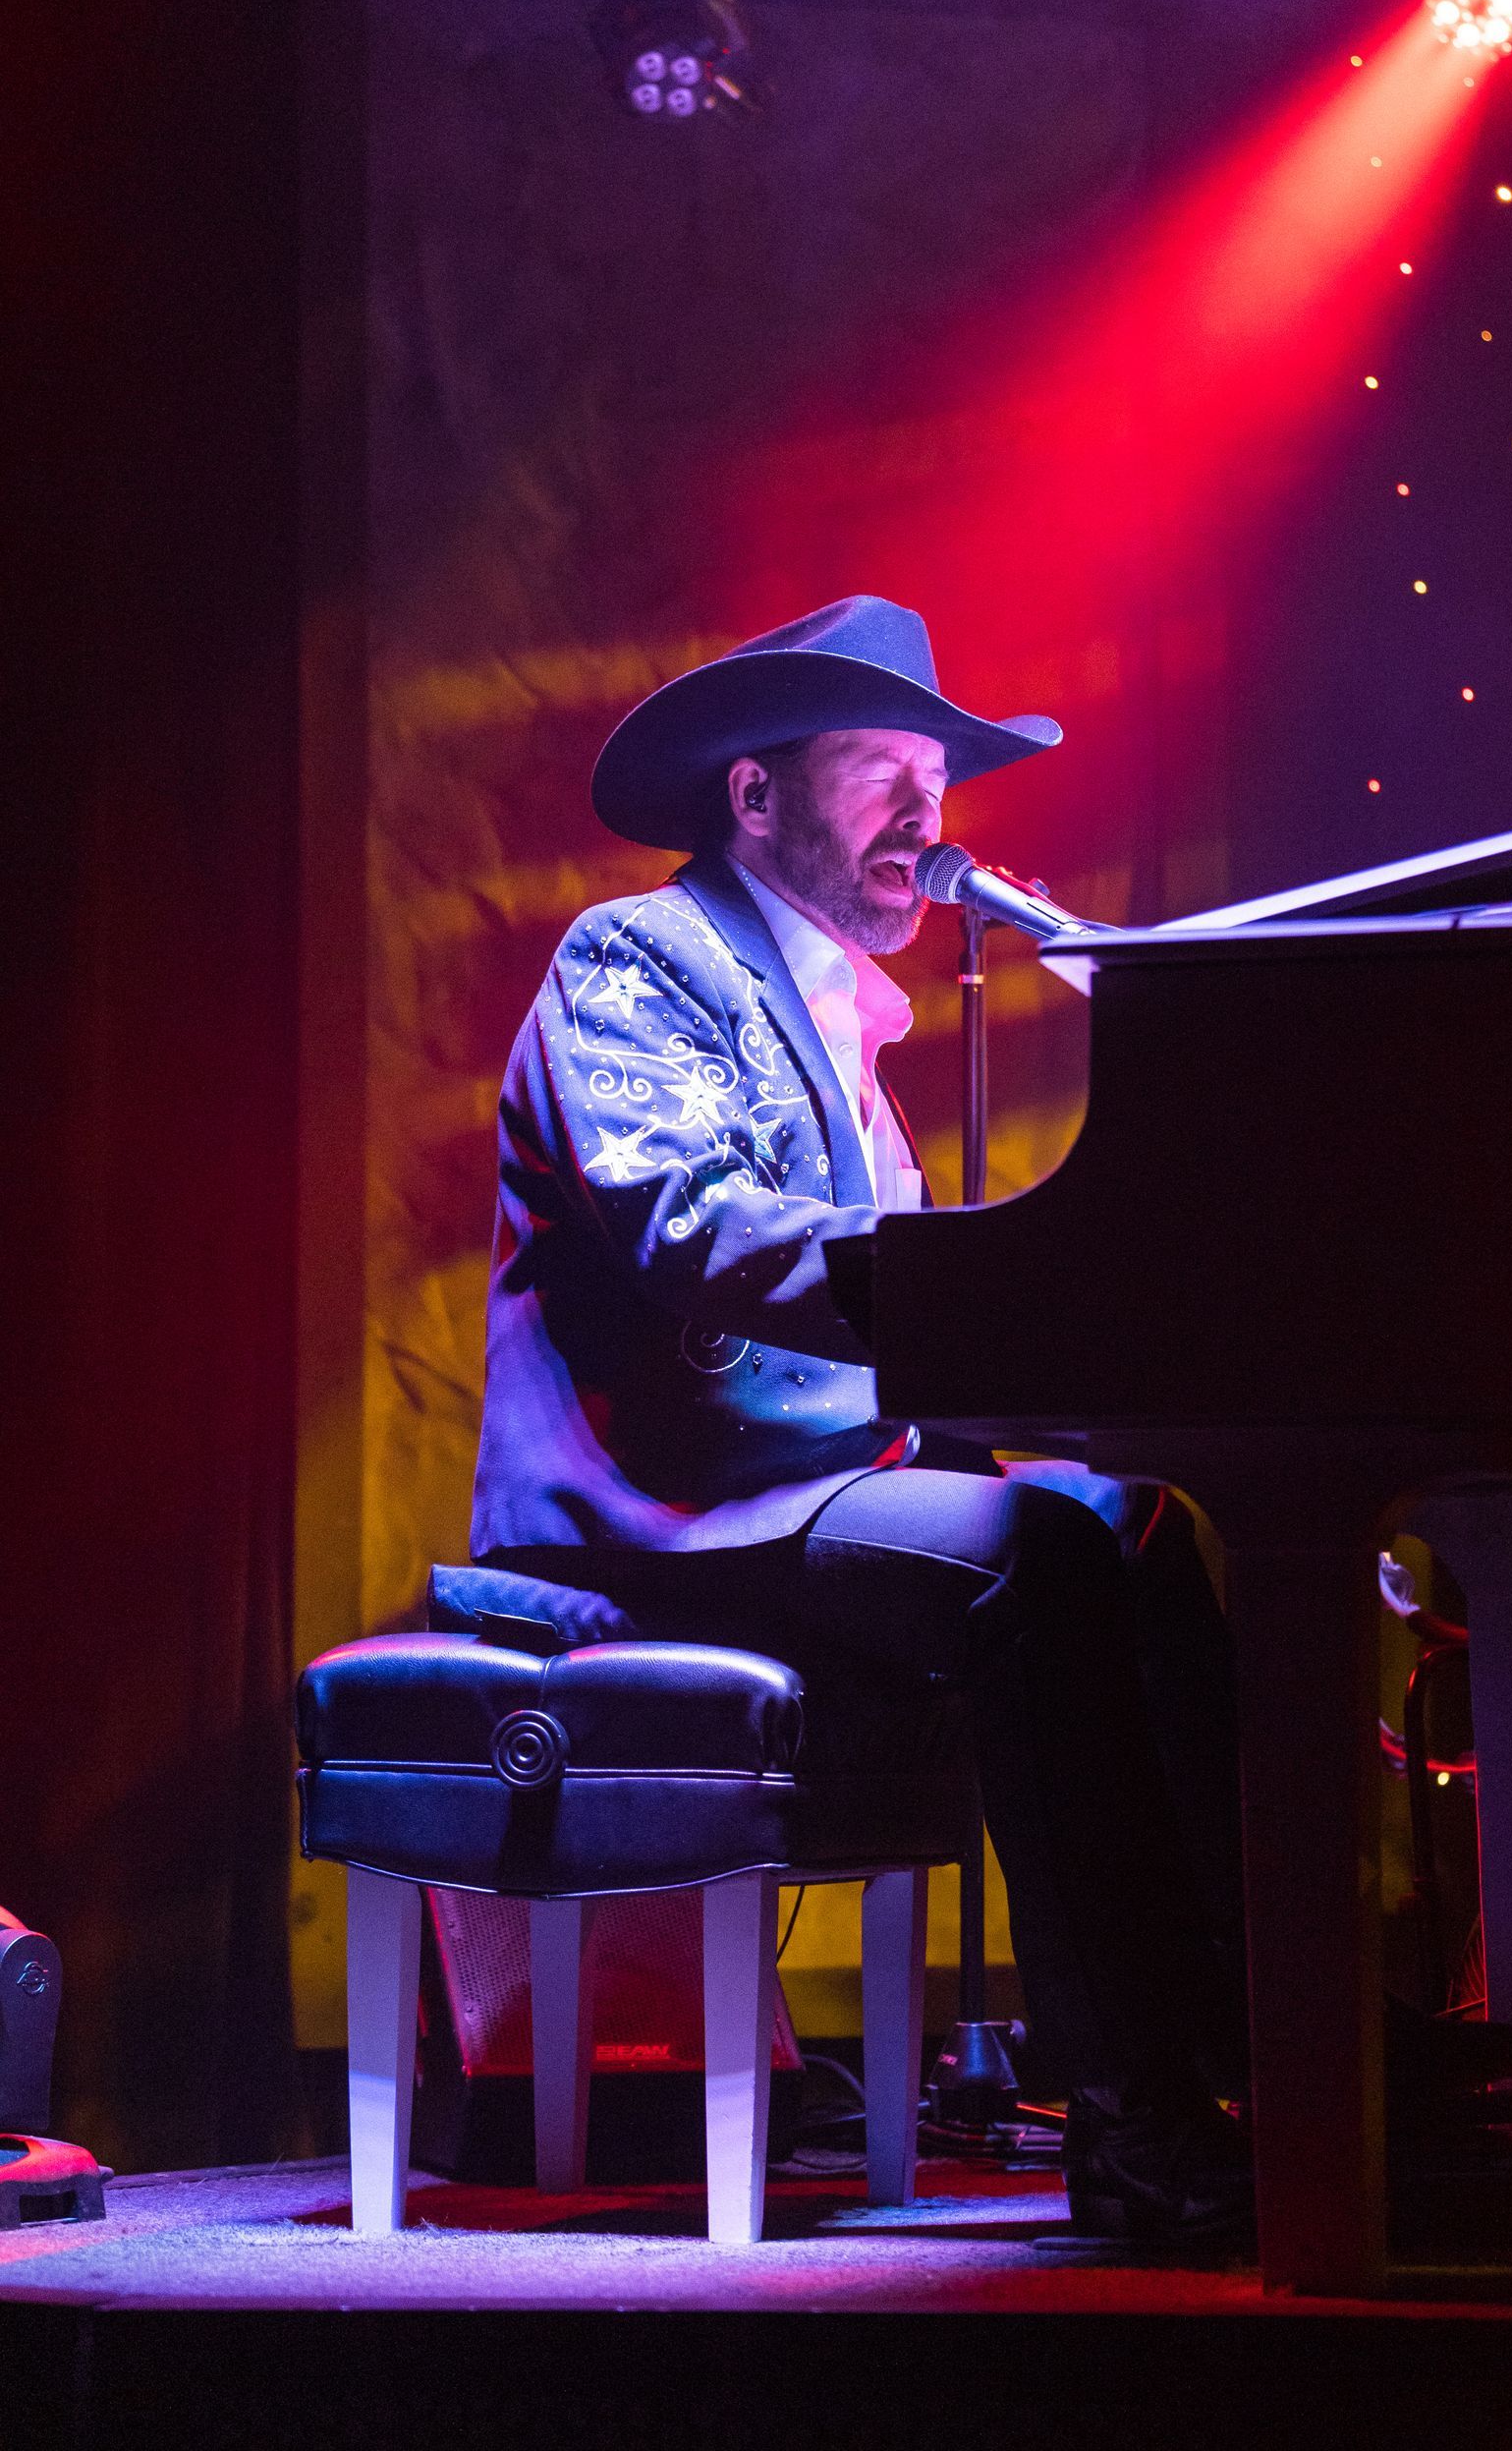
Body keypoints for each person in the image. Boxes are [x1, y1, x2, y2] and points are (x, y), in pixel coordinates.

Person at [468, 594, 1256, 2241]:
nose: (929, 814)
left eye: (936, 776)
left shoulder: (838, 1014)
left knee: (1146, 1526)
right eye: (883, 770)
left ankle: (1265, 2047)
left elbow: (886, 1346)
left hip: (805, 1495)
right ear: (755, 796)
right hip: (662, 1516)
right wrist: (1001, 1297)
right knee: (1033, 1559)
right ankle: (1139, 2120)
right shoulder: (637, 957)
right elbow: (696, 1232)